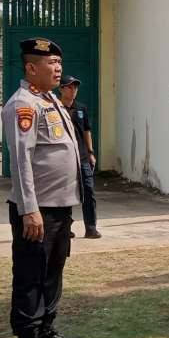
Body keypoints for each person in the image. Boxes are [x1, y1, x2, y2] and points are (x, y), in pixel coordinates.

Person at [4, 37, 84, 338]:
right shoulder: (23, 105)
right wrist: (29, 209)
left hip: (59, 208)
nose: (58, 69)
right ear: (30, 68)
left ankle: (46, 333)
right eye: (51, 64)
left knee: (52, 274)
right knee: (30, 278)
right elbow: (21, 161)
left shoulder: (49, 99)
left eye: (59, 64)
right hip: (38, 211)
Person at [59, 74, 101, 239]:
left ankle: (91, 227)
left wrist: (91, 152)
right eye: (70, 86)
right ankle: (65, 227)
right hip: (64, 158)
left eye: (75, 87)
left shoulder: (81, 108)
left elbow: (86, 131)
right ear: (61, 88)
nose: (73, 90)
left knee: (88, 191)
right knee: (65, 193)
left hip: (82, 157)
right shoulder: (55, 108)